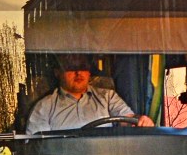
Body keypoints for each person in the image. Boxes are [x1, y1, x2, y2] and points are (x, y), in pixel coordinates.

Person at [25, 54, 155, 133]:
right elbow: (38, 148)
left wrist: (140, 120)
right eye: (71, 67)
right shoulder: (44, 107)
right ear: (57, 72)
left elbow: (127, 118)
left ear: (89, 72)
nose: (78, 72)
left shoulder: (108, 97)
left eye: (83, 66)